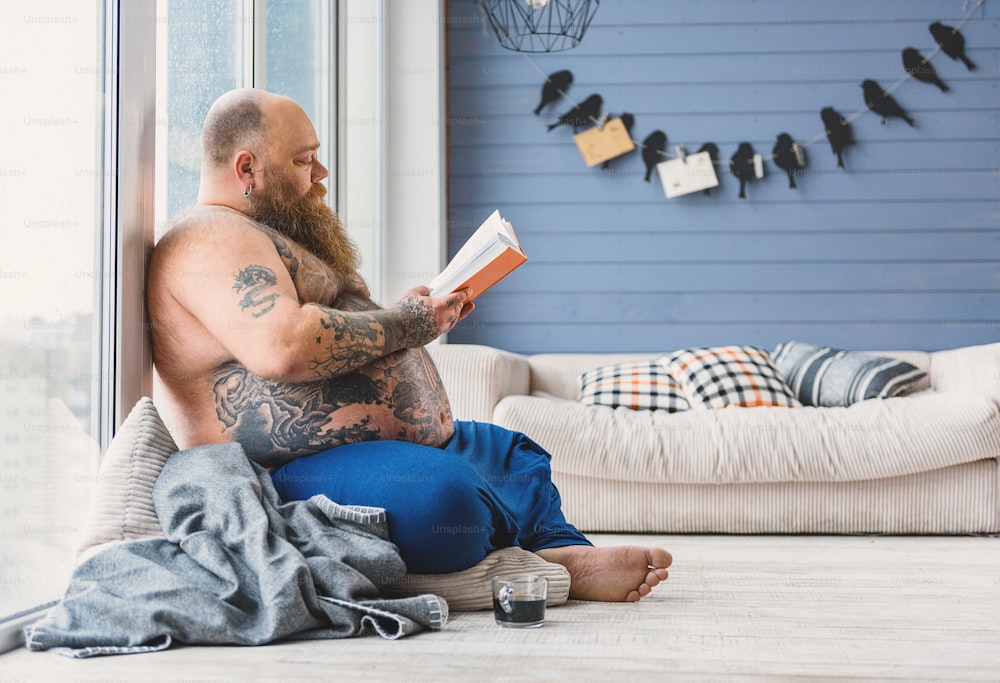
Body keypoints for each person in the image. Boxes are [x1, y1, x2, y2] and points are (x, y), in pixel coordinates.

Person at [147, 88, 671, 602]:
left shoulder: (262, 235)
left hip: (386, 449)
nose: (321, 175)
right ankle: (521, 559)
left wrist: (403, 315)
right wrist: (406, 324)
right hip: (286, 471)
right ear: (247, 169)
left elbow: (330, 329)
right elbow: (281, 346)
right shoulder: (208, 236)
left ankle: (558, 552)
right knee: (446, 499)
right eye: (305, 160)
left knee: (509, 453)